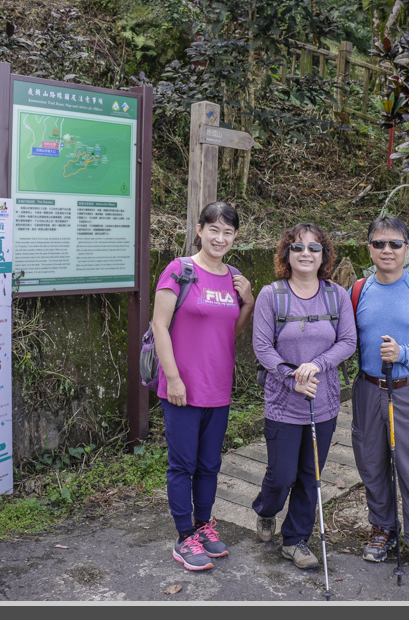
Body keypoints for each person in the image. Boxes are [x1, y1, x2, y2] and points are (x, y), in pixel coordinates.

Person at [151, 201, 255, 571]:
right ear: (199, 230)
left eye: (228, 231)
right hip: (182, 388)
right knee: (183, 464)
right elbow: (159, 325)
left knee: (210, 463)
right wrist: (174, 377)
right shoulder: (180, 270)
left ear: (235, 236)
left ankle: (203, 525)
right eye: (214, 229)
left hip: (218, 387)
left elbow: (228, 333)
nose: (220, 237)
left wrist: (248, 303)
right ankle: (183, 537)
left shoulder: (234, 277)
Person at [349, 215, 409, 581]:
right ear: (369, 248)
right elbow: (343, 339)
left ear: (407, 248)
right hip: (367, 390)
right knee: (371, 463)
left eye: (395, 244)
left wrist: (405, 353)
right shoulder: (357, 291)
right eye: (379, 244)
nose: (387, 250)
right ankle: (383, 528)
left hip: (408, 391)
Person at [251, 223, 357, 569]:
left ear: (324, 255)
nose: (306, 254)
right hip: (283, 404)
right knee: (281, 476)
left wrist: (317, 364)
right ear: (287, 254)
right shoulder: (272, 295)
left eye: (314, 248)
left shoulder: (336, 296)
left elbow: (348, 342)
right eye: (297, 248)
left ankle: (296, 540)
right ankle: (266, 510)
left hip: (322, 403)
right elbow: (262, 347)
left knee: (310, 476)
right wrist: (290, 376)